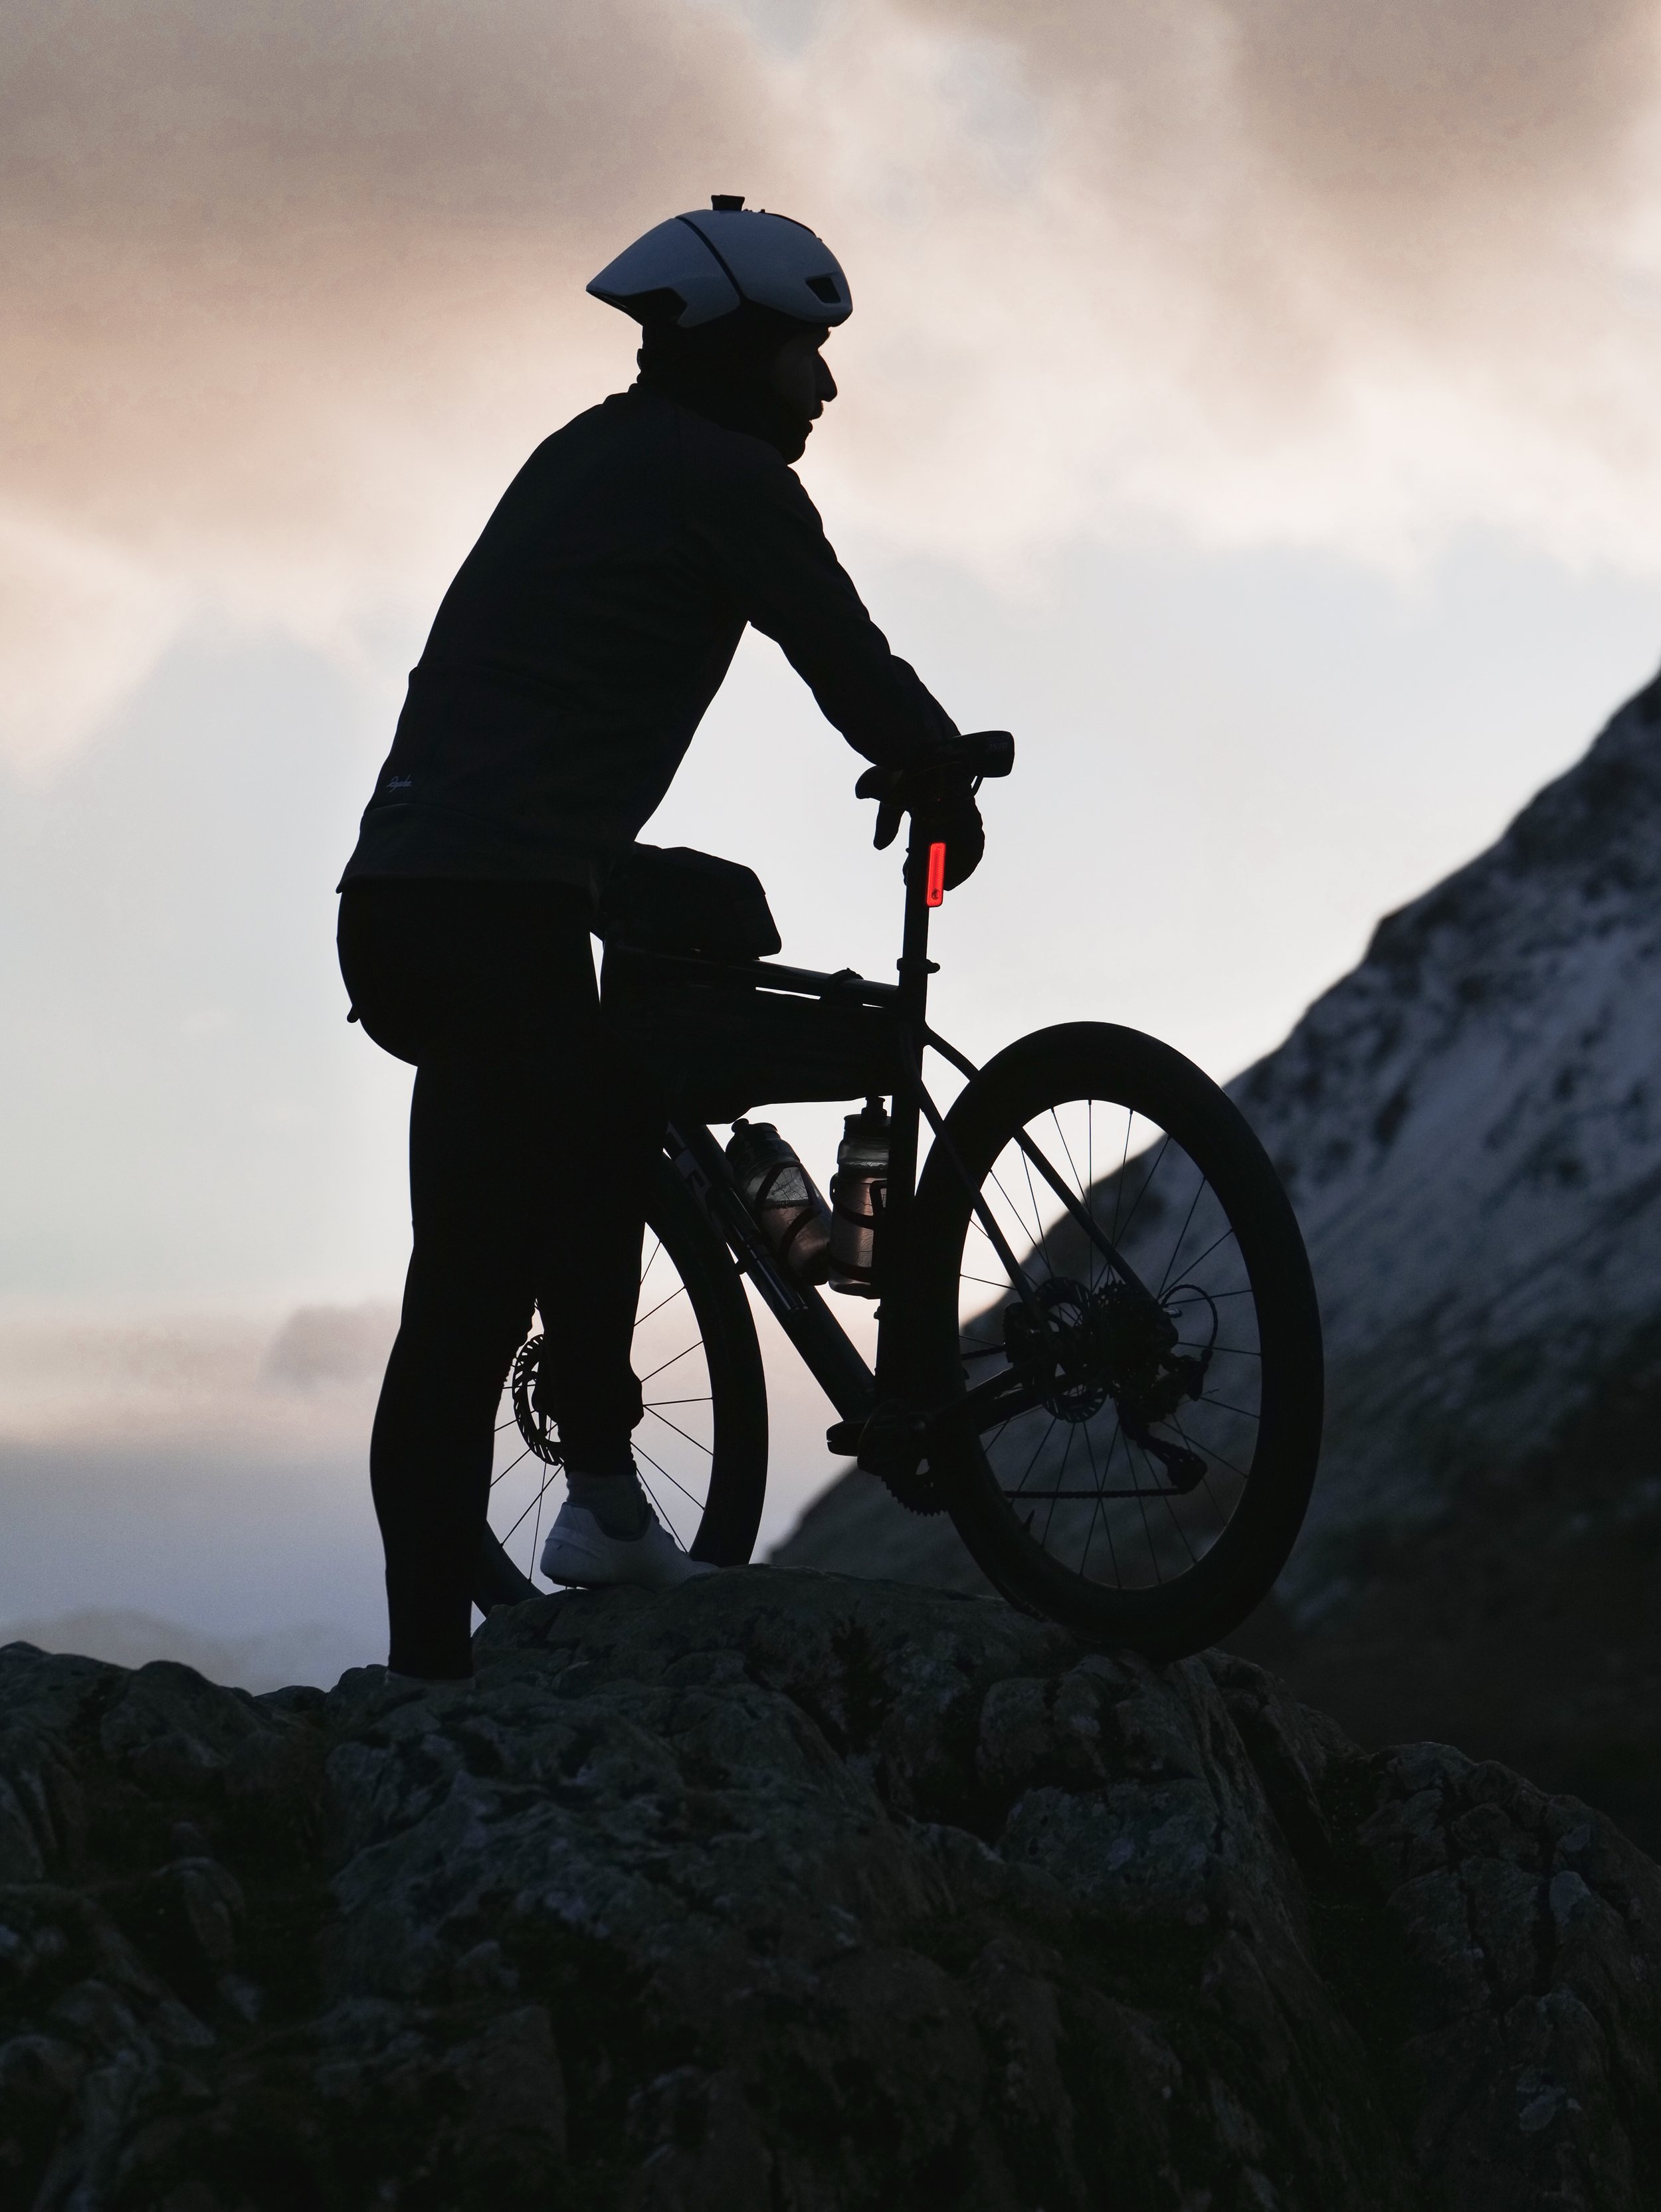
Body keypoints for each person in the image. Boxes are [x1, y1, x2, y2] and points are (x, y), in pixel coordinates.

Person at [336, 197, 984, 1679]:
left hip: (421, 902)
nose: (820, 387)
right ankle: (603, 1503)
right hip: (501, 909)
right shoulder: (718, 474)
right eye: (801, 356)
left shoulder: (588, 451)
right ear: (730, 347)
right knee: (497, 1265)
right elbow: (839, 648)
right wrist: (937, 769)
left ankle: (452, 1638)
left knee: (474, 1271)